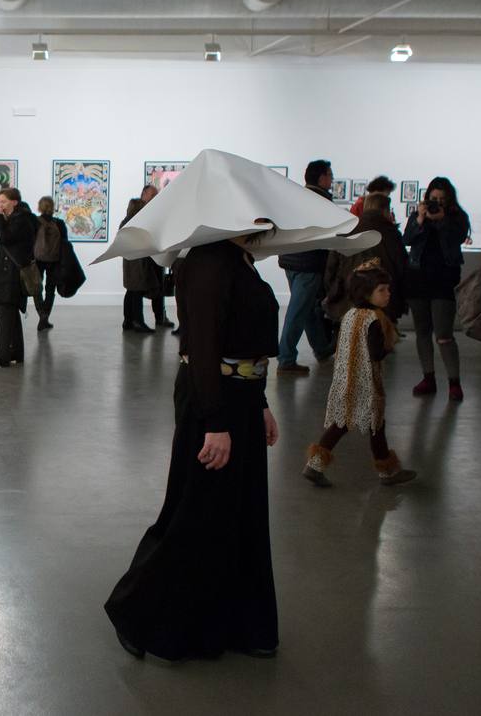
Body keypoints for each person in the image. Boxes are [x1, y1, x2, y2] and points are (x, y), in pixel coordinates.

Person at [105, 234, 281, 662]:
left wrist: (259, 404)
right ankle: (139, 613)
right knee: (195, 512)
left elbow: (244, 337)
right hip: (212, 400)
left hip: (238, 397)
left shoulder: (237, 259)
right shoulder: (207, 262)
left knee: (241, 513)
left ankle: (237, 624)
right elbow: (202, 344)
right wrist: (216, 424)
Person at [303, 264, 417, 487]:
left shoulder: (351, 315)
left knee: (343, 424)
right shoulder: (375, 319)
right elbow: (376, 353)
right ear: (366, 293)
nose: (388, 294)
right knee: (375, 425)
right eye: (382, 290)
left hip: (346, 379)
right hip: (365, 382)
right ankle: (387, 472)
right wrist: (389, 343)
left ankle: (314, 466)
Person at [402, 177, 470, 401]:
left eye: (441, 199)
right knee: (422, 331)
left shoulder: (457, 217)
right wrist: (420, 219)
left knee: (443, 334)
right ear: (427, 198)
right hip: (417, 277)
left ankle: (454, 382)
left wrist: (442, 221)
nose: (437, 203)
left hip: (443, 280)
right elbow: (407, 238)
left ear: (449, 200)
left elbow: (458, 237)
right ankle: (428, 377)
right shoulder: (418, 215)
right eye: (433, 199)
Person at [277, 159, 336, 376]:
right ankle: (285, 359)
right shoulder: (320, 201)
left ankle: (321, 348)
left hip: (290, 259)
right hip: (309, 262)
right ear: (321, 178)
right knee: (298, 311)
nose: (332, 179)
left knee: (308, 308)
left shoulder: (297, 197)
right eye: (330, 175)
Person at [323, 192, 406, 324]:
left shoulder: (347, 230)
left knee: (349, 339)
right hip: (382, 301)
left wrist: (333, 291)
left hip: (348, 298)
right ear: (385, 210)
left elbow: (331, 268)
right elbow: (401, 267)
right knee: (378, 339)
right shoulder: (391, 234)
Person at [0, 188, 36, 368]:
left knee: (5, 314)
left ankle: (1, 356)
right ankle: (15, 352)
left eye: (4, 202)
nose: (0, 206)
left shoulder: (21, 220)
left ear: (14, 202)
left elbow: (4, 238)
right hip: (6, 273)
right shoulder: (16, 219)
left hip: (12, 275)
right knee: (10, 313)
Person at [121, 197, 162, 333]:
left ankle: (128, 321)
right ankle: (138, 322)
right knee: (136, 291)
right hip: (138, 263)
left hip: (129, 263)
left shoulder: (125, 222)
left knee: (131, 291)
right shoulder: (136, 224)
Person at [139, 185, 175, 329]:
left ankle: (160, 317)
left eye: (156, 195)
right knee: (138, 288)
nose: (155, 198)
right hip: (144, 255)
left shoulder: (157, 210)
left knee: (158, 288)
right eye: (152, 195)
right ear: (144, 194)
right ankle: (137, 320)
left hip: (157, 254)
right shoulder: (139, 211)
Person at [33, 196, 69, 331]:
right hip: (54, 260)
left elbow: (30, 241)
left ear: (40, 207)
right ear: (53, 207)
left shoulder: (35, 222)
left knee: (37, 288)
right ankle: (45, 317)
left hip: (38, 260)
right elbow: (65, 243)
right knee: (50, 290)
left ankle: (42, 315)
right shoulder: (59, 223)